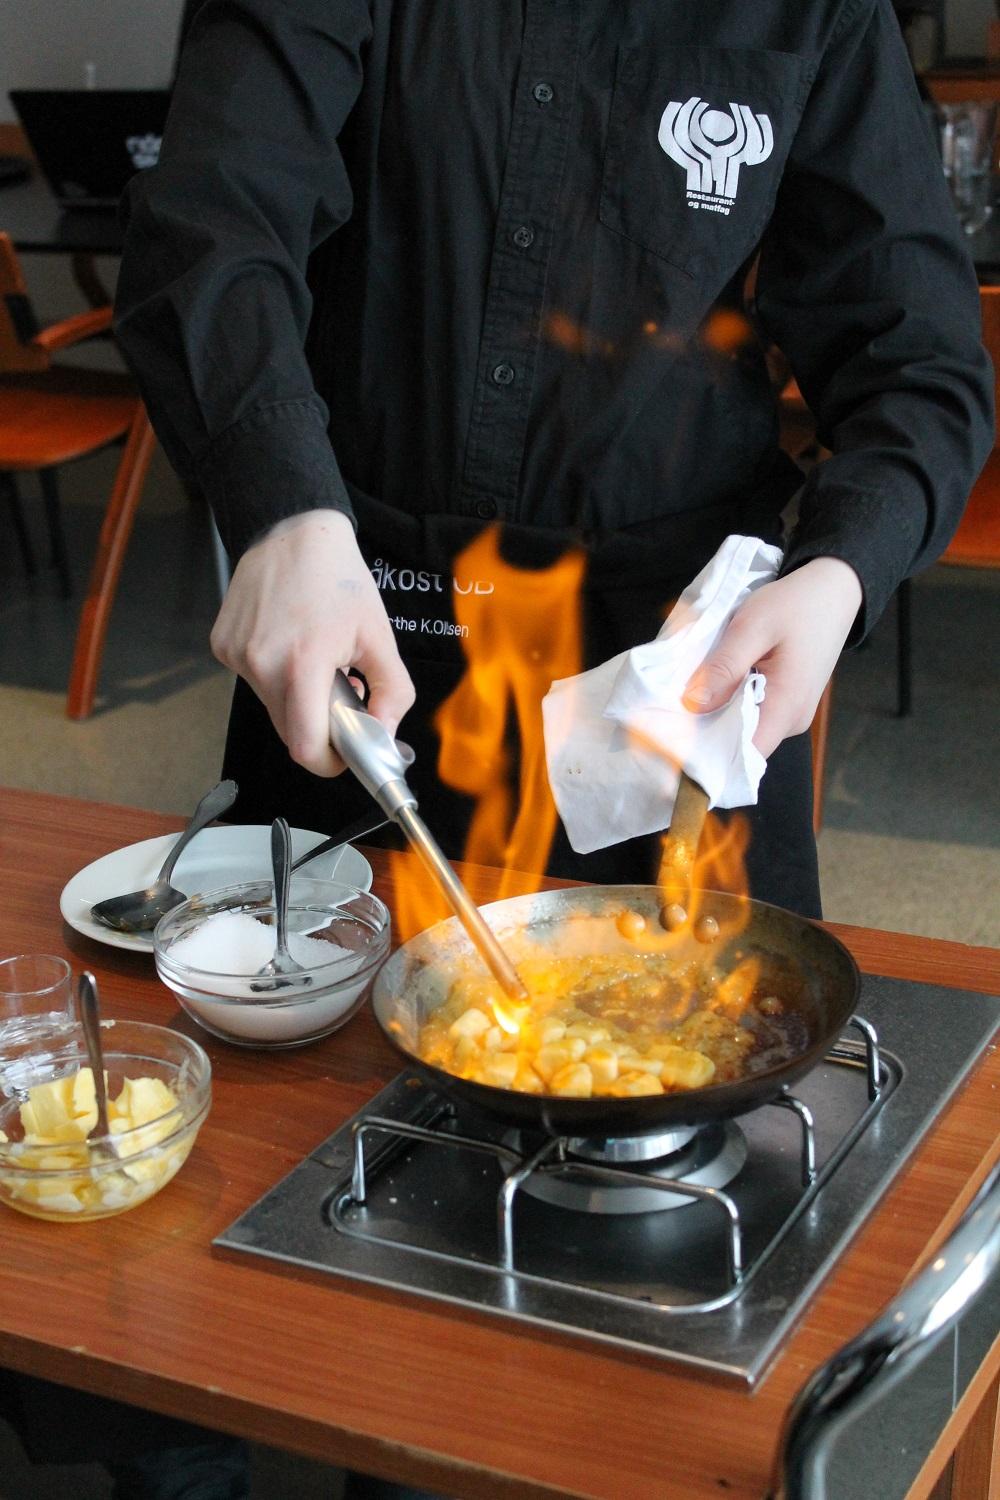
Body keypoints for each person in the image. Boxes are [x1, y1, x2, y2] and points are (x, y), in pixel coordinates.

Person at [7, 4, 987, 1499]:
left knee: (656, 1311)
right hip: (363, 630)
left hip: (670, 683)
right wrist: (279, 509)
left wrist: (839, 573)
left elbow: (918, 358)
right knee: (253, 1259)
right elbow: (213, 224)